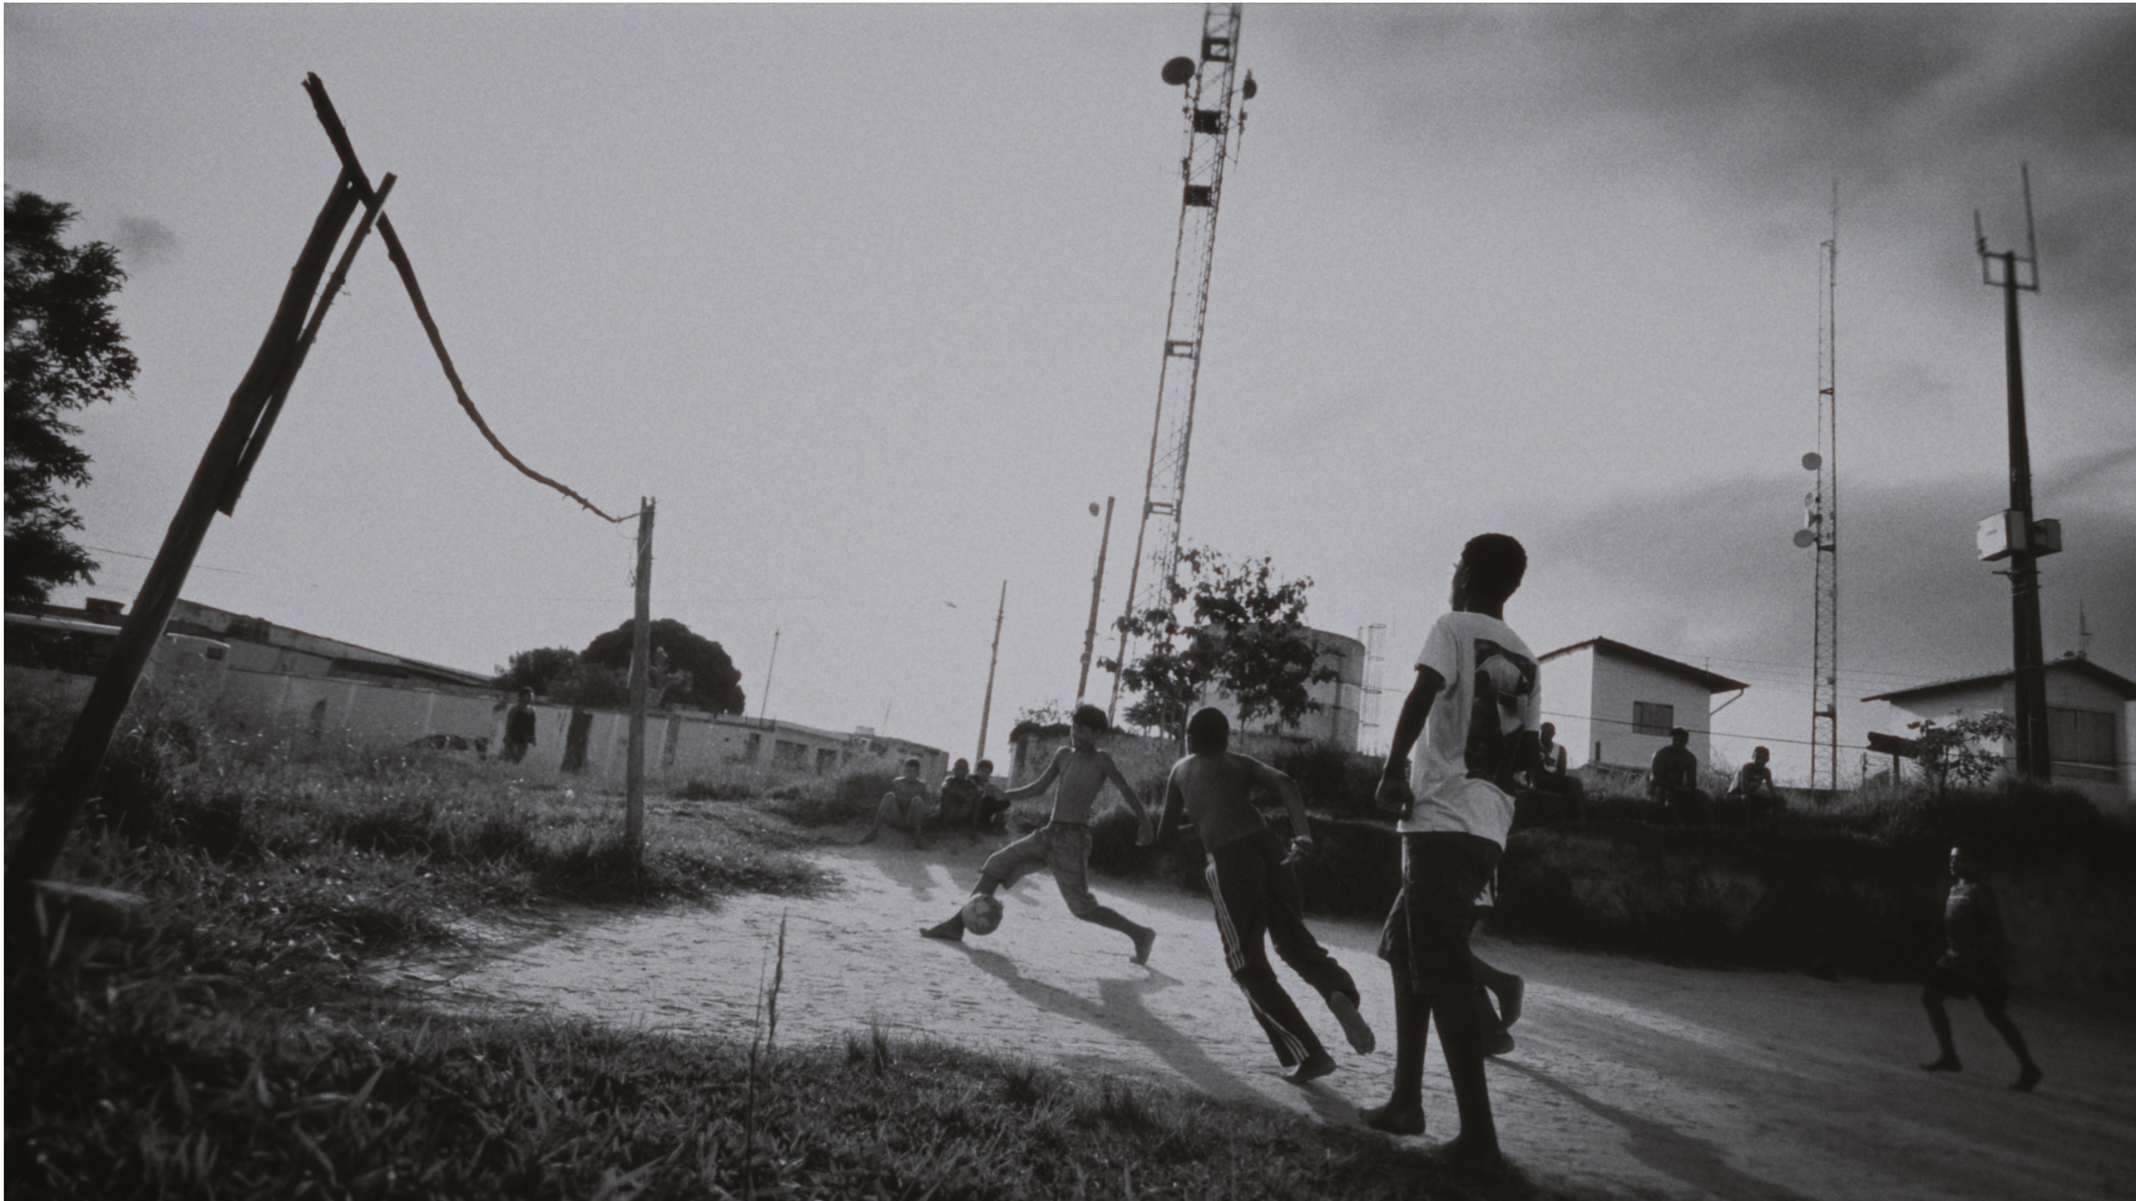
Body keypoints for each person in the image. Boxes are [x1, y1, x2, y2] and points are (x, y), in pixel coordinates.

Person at [1360, 533, 1540, 1168]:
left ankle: (1480, 1143)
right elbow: (1526, 754)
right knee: (1403, 947)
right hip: (1487, 822)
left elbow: (1421, 693)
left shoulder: (1451, 626)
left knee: (1437, 968)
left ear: (1465, 573)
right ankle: (1406, 1100)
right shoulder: (1524, 654)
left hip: (1441, 820)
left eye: (1456, 566)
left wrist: (1391, 770)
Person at [1155, 707, 1376, 1083]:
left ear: (1190, 738)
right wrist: (1303, 835)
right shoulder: (1239, 762)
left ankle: (1309, 1054)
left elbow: (1165, 835)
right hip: (1272, 849)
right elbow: (1287, 782)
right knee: (1293, 942)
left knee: (1246, 963)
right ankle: (1337, 991)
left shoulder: (1181, 770)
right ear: (1226, 739)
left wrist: (1185, 820)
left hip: (1229, 861)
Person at [922, 705, 1157, 962]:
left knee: (1083, 908)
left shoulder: (1102, 759)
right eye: (1074, 727)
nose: (1075, 733)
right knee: (996, 864)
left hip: (1073, 840)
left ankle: (1140, 934)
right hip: (1048, 834)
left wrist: (1144, 822)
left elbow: (1125, 790)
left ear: (1097, 734)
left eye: (1082, 730)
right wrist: (1006, 795)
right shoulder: (1063, 754)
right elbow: (1038, 788)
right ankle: (956, 925)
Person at [1920, 842, 2042, 1091]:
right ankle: (1949, 1056)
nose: (1954, 862)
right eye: (1952, 858)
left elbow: (1994, 929)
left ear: (1975, 863)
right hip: (1955, 959)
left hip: (1979, 964)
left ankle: (2029, 1068)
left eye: (1961, 859)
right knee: (1930, 998)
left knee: (1996, 1015)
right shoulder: (1955, 889)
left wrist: (1974, 957)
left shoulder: (1981, 890)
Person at [861, 757, 933, 849]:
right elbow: (893, 801)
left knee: (917, 800)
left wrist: (906, 800)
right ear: (903, 771)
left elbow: (920, 807)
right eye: (907, 771)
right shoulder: (897, 782)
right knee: (889, 795)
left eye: (913, 772)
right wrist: (903, 800)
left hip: (910, 820)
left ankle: (917, 837)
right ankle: (873, 832)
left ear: (918, 774)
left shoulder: (921, 786)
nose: (909, 774)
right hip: (896, 817)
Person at [1648, 727, 1709, 826]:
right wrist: (1675, 788)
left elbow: (1692, 781)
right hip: (1658, 787)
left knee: (1703, 797)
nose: (1677, 743)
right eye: (1674, 740)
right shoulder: (1661, 754)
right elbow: (1657, 778)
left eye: (1680, 740)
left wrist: (1689, 788)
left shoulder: (1690, 758)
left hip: (1678, 788)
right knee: (1669, 797)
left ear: (1686, 741)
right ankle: (1680, 827)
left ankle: (1710, 827)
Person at [1526, 720, 1585, 821]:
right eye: (1542, 732)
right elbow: (1530, 766)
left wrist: (1553, 776)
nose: (1544, 735)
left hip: (1554, 779)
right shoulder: (1535, 747)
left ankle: (1580, 818)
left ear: (1553, 734)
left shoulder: (1560, 749)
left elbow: (1562, 770)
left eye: (1547, 733)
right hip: (1539, 778)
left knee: (1576, 783)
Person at [1727, 746, 1783, 820]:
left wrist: (1776, 798)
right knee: (1746, 799)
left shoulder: (1766, 772)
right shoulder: (1746, 768)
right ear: (1753, 757)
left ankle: (1774, 826)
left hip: (1752, 796)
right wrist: (1763, 795)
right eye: (1757, 758)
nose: (1759, 761)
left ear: (1766, 760)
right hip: (1735, 795)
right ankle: (1745, 826)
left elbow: (1772, 790)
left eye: (1762, 759)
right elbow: (1745, 790)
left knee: (1778, 801)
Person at [938, 758, 986, 842]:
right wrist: (958, 793)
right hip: (949, 811)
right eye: (958, 769)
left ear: (967, 771)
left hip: (962, 811)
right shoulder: (949, 779)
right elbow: (944, 787)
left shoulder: (969, 782)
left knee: (977, 798)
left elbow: (981, 791)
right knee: (945, 795)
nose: (960, 772)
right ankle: (944, 826)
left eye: (963, 769)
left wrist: (969, 793)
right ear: (954, 770)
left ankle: (973, 829)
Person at [971, 759, 1012, 833]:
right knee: (989, 800)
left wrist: (994, 791)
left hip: (981, 809)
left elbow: (1001, 799)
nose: (985, 774)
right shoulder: (971, 780)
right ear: (977, 771)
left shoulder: (987, 784)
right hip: (970, 809)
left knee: (1005, 801)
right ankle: (981, 823)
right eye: (983, 771)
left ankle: (997, 821)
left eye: (987, 772)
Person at [502, 688, 538, 764]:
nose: (530, 697)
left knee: (518, 759)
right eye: (528, 695)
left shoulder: (532, 711)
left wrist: (533, 738)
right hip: (513, 737)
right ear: (522, 696)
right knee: (506, 758)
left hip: (523, 739)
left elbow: (532, 726)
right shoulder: (515, 709)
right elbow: (508, 724)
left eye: (532, 696)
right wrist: (508, 736)